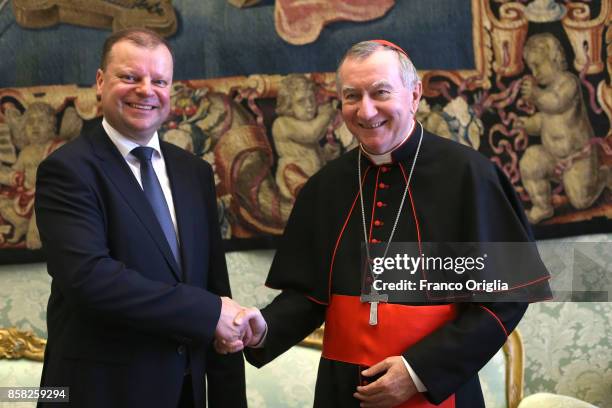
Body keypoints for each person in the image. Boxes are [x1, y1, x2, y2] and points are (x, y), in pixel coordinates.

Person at [232, 40, 550, 407]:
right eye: (352, 96)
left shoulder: (470, 176)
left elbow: (508, 297)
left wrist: (418, 371)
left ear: (414, 94)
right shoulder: (325, 187)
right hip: (343, 394)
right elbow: (310, 295)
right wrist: (263, 329)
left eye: (380, 92)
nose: (366, 111)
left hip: (435, 392)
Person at [35, 28, 247, 408]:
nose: (146, 90)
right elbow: (91, 280)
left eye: (159, 80)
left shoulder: (194, 172)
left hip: (185, 394)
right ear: (100, 83)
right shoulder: (67, 170)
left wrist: (229, 396)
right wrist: (209, 312)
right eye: (130, 77)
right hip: (101, 393)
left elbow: (215, 285)